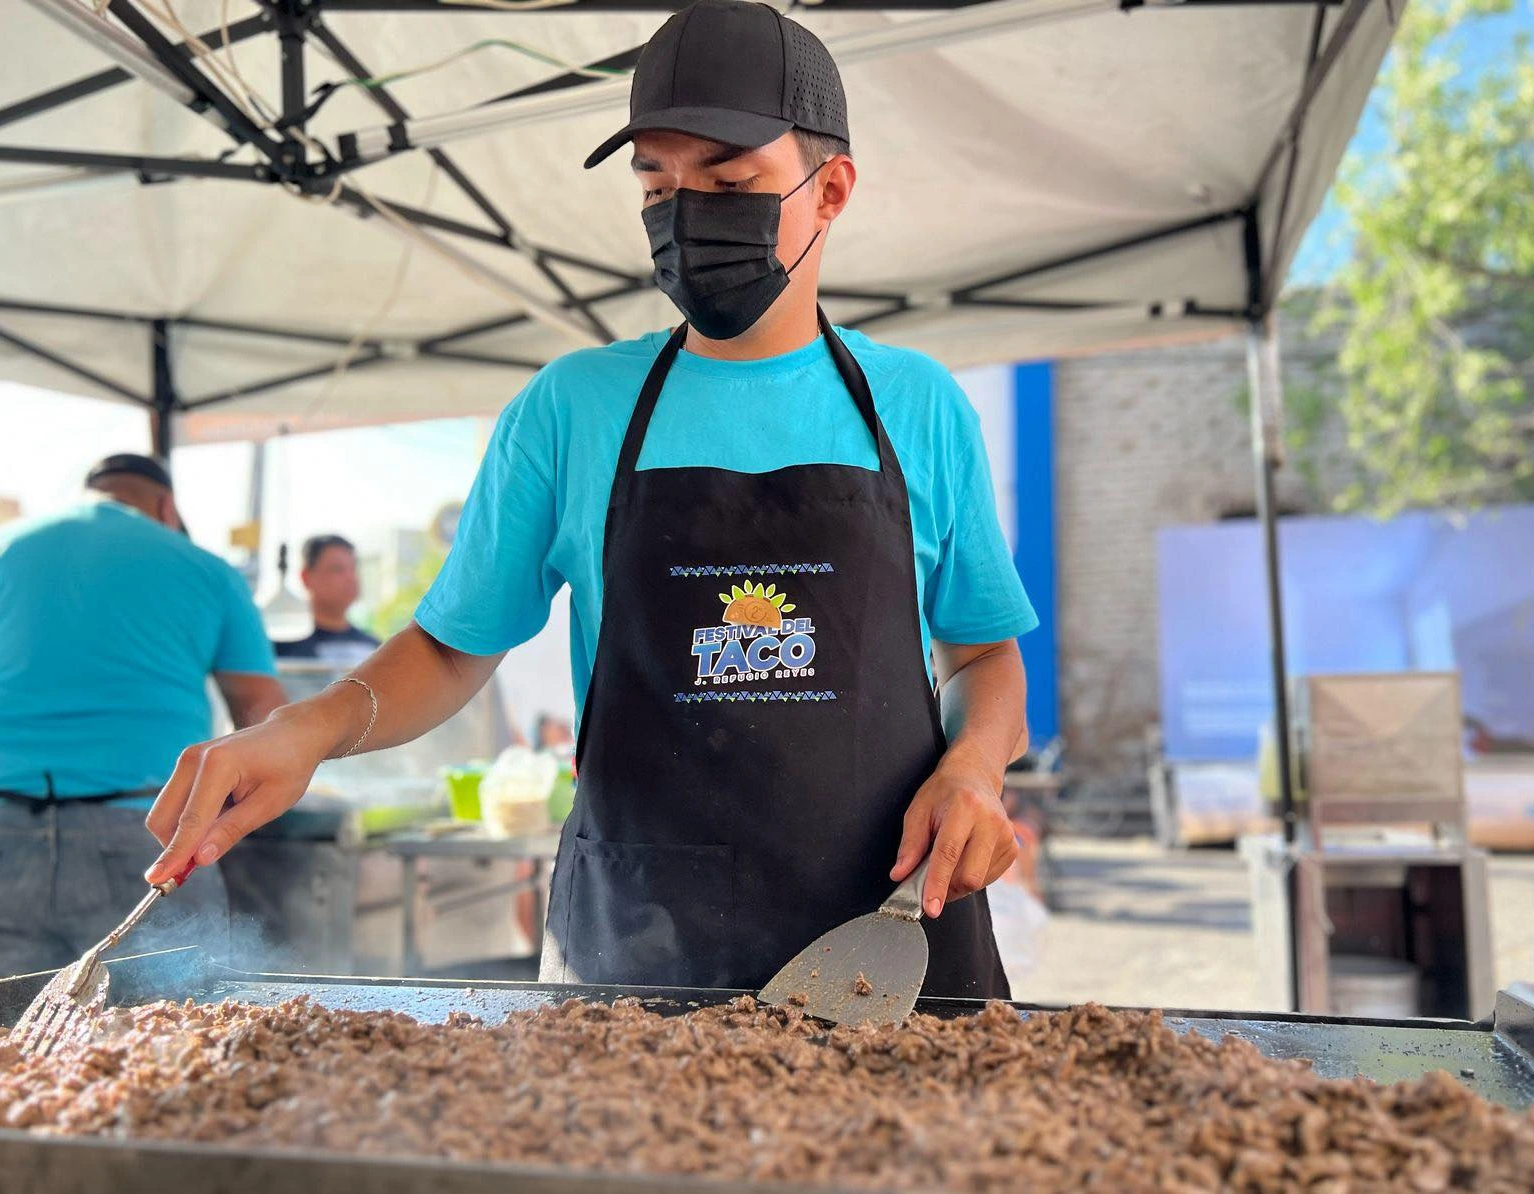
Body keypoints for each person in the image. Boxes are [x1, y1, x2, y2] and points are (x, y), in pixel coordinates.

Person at [144, 0, 1037, 997]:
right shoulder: (572, 408)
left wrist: (973, 771)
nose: (686, 211)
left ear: (830, 191)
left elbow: (982, 653)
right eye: (656, 182)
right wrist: (303, 729)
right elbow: (449, 646)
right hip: (639, 948)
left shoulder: (917, 406)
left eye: (728, 181)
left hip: (890, 932)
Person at [0, 454, 285, 985]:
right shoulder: (207, 570)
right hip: (150, 837)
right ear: (166, 507)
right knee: (169, 1051)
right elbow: (263, 716)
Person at [273, 535, 379, 667]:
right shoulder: (282, 646)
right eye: (337, 569)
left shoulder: (375, 648)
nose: (351, 578)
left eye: (353, 568)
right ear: (306, 577)